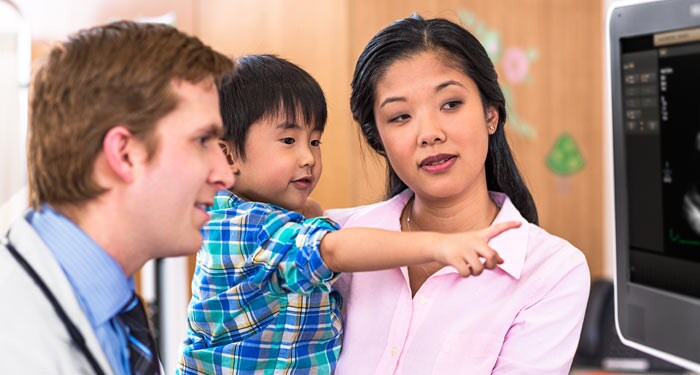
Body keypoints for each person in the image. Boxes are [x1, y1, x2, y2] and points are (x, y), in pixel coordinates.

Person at [178, 54, 520, 374]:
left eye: (314, 141)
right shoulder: (243, 226)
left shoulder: (263, 219)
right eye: (287, 140)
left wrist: (310, 213)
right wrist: (439, 246)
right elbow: (332, 250)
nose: (308, 158)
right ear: (227, 157)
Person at [325, 15, 591, 374]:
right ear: (379, 140)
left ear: (491, 115)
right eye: (401, 116)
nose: (429, 133)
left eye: (450, 104)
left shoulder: (551, 270)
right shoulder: (332, 241)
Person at [0, 21, 234, 374]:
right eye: (203, 140)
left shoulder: (115, 312)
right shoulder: (15, 341)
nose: (226, 174)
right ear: (124, 154)